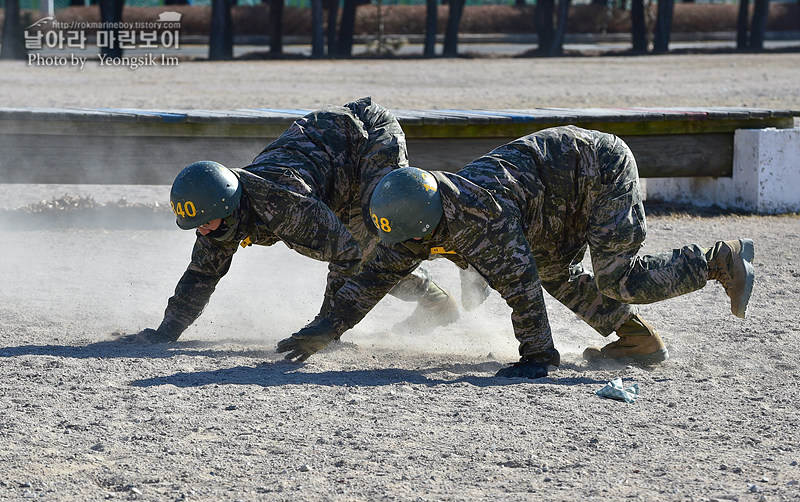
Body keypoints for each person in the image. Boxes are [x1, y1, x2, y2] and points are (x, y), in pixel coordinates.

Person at [275, 125, 755, 379]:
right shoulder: (416, 216)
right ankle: (638, 341)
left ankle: (718, 258)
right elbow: (370, 279)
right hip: (552, 197)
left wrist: (538, 354)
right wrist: (324, 329)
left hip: (597, 172)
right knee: (553, 268)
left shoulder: (477, 217)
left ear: (426, 224)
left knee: (617, 278)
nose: (402, 252)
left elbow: (519, 287)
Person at [122, 97, 463, 344]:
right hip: (330, 171)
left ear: (229, 207)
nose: (203, 231)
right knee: (365, 251)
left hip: (367, 139)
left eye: (207, 223)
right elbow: (202, 273)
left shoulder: (284, 205)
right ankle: (437, 301)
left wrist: (326, 328)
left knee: (382, 232)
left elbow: (346, 255)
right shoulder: (217, 213)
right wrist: (167, 332)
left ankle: (462, 260)